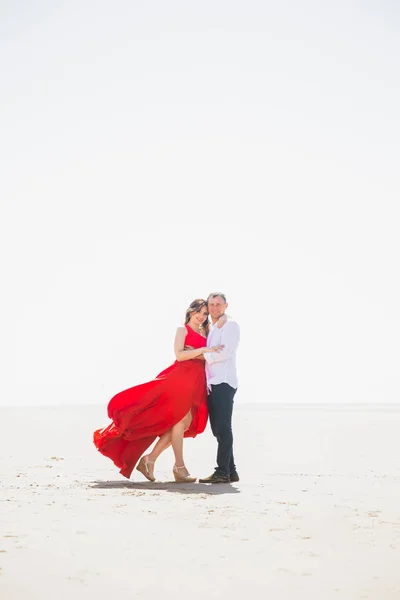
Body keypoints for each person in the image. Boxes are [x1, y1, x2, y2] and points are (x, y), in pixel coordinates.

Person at [93, 299, 224, 482]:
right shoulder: (182, 330)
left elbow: (209, 356)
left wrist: (198, 352)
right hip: (180, 379)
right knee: (179, 422)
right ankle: (179, 467)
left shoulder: (206, 331)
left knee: (182, 424)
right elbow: (179, 355)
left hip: (196, 382)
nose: (201, 317)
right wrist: (202, 351)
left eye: (204, 314)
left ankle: (150, 459)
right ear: (190, 312)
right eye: (199, 313)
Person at [199, 293, 240, 484]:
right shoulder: (213, 327)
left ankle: (222, 471)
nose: (215, 308)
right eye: (211, 304)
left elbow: (226, 352)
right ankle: (231, 471)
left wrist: (203, 355)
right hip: (212, 384)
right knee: (217, 429)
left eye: (218, 305)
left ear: (226, 306)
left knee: (223, 428)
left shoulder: (230, 325)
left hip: (224, 382)